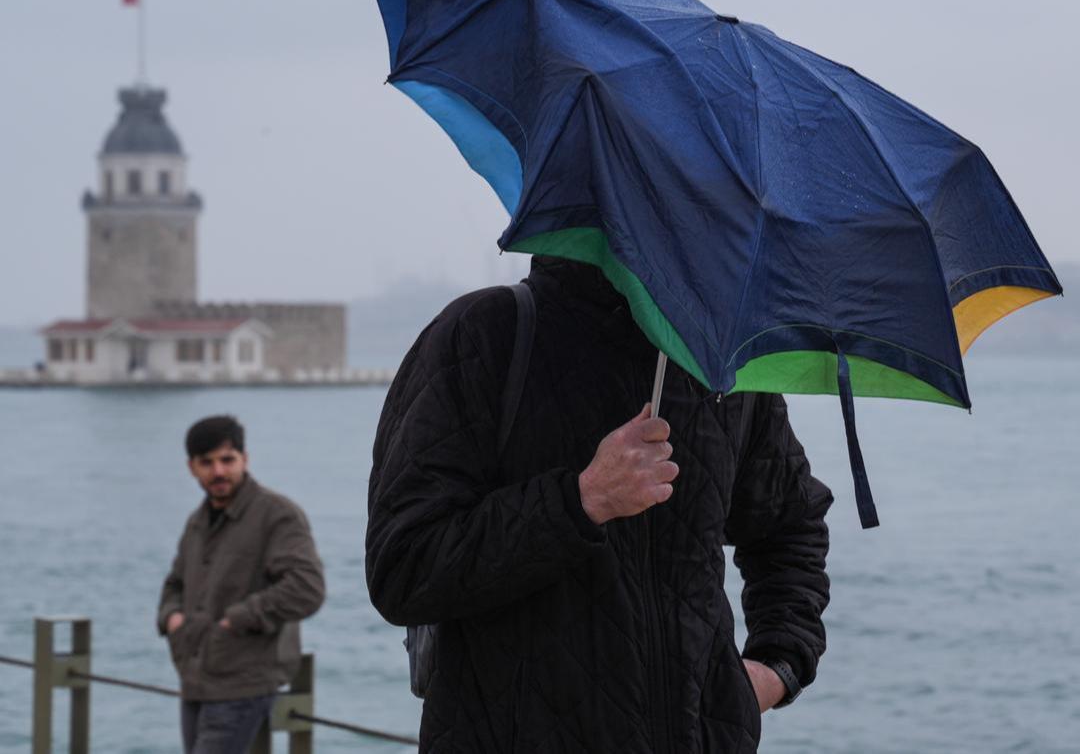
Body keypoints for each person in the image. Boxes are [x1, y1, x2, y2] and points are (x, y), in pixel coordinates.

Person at [366, 257, 833, 753]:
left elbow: (791, 525)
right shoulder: (484, 334)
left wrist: (778, 665)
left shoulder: (722, 362)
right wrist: (580, 501)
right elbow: (403, 567)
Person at [158, 415, 326, 754]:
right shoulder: (198, 520)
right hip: (196, 677)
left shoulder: (277, 514)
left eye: (227, 460)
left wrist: (236, 620)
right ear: (192, 467)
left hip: (243, 681)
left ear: (244, 460)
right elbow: (175, 582)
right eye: (207, 463)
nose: (218, 471)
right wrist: (172, 619)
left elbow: (307, 588)